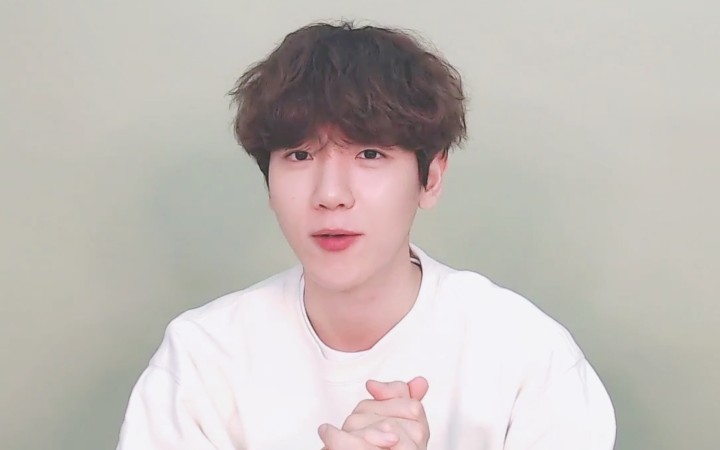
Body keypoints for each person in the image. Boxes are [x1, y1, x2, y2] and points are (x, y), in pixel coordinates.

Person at [116, 21, 616, 450]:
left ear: (431, 178)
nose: (330, 195)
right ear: (268, 182)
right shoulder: (203, 358)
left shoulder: (525, 354)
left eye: (370, 154)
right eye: (299, 155)